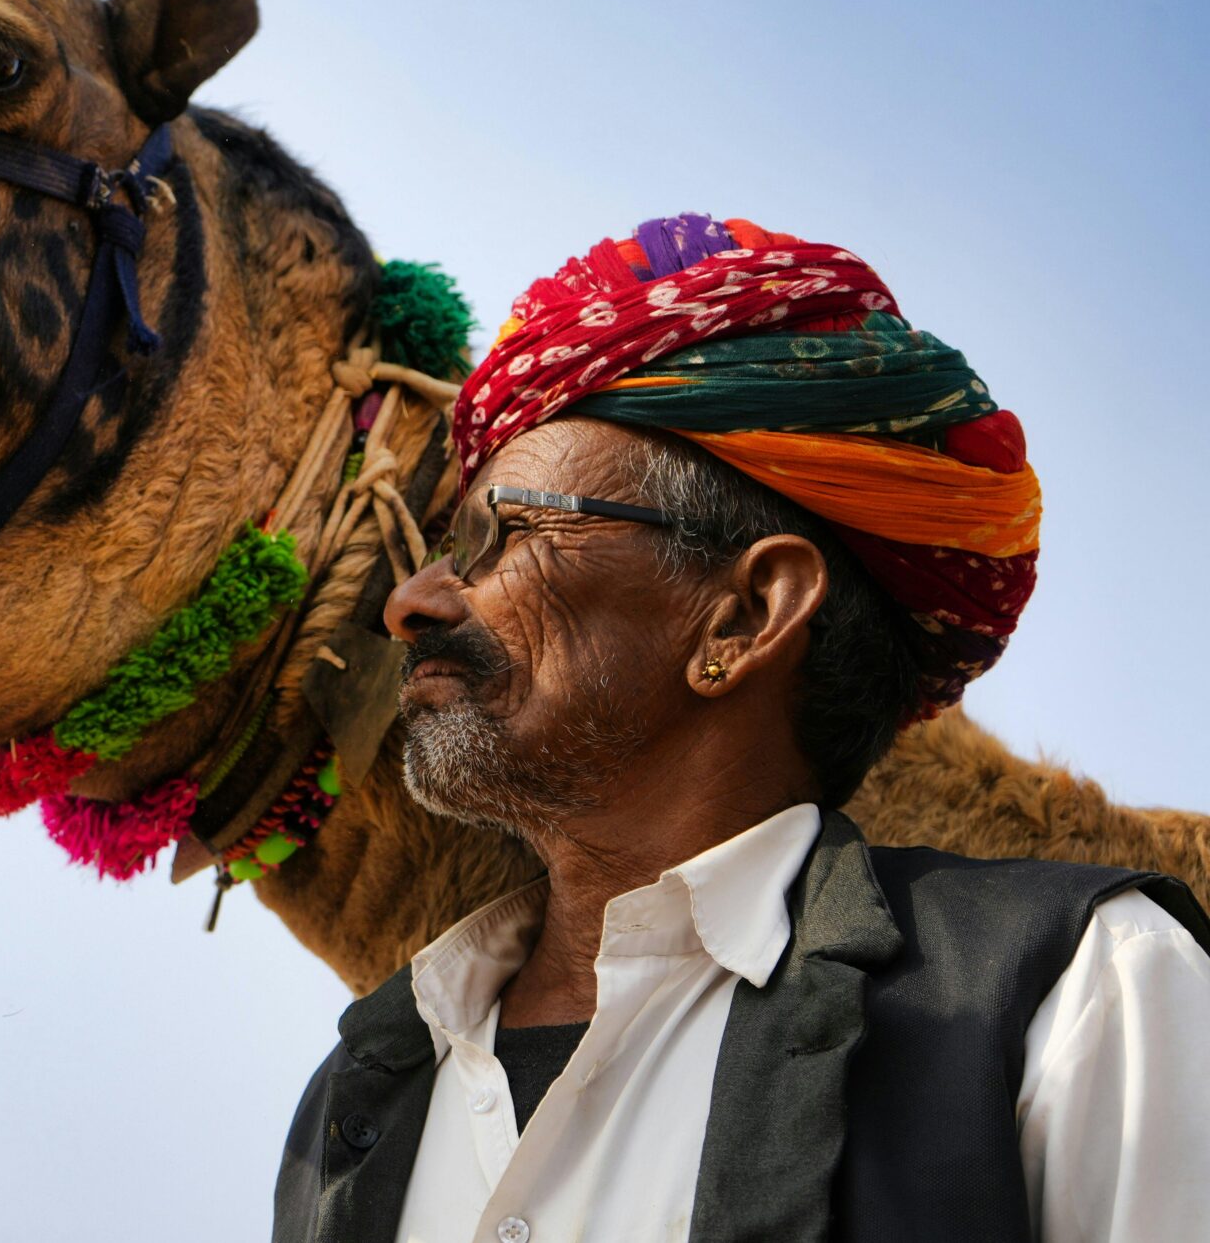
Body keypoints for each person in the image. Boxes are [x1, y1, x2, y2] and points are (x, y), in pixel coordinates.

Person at [272, 214, 1210, 1243]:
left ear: (744, 616)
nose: (413, 601)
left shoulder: (1080, 992)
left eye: (506, 536)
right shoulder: (361, 1093)